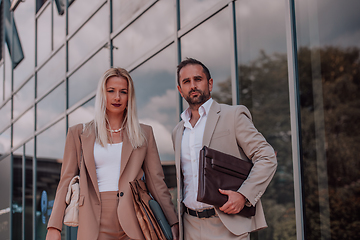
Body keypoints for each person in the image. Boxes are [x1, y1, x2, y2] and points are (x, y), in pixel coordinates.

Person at [46, 68, 179, 240]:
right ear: (102, 94)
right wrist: (54, 227)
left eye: (123, 92)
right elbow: (65, 180)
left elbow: (157, 182)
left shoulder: (144, 133)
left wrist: (172, 221)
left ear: (129, 97)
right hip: (93, 220)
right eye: (111, 91)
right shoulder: (79, 133)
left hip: (135, 219)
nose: (117, 97)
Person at [172, 58, 277, 240]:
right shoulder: (177, 131)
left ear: (210, 83)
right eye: (186, 82)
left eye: (198, 79)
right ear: (180, 90)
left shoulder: (233, 116)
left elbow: (266, 156)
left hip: (226, 226)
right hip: (189, 226)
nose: (193, 85)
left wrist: (244, 195)